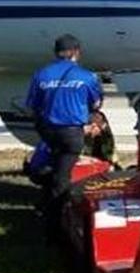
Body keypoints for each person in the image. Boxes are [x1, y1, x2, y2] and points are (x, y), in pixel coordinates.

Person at [25, 34, 103, 223]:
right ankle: (58, 217)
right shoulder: (87, 76)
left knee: (54, 167)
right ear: (76, 52)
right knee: (62, 175)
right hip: (71, 133)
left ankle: (45, 205)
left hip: (47, 131)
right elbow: (96, 103)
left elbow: (31, 106)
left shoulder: (41, 74)